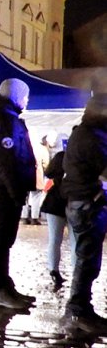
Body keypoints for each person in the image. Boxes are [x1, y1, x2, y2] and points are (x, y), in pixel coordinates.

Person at [0, 78, 37, 310]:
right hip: (3, 189)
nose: (27, 100)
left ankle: (4, 286)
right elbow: (4, 160)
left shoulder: (4, 117)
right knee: (1, 239)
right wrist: (15, 191)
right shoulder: (1, 119)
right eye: (25, 96)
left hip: (5, 188)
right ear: (16, 96)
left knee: (5, 240)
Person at [62, 94, 107, 331]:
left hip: (82, 202)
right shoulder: (93, 136)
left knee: (86, 258)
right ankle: (78, 311)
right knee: (87, 260)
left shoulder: (84, 132)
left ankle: (79, 309)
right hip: (87, 203)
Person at [40, 137, 70, 289]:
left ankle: (54, 269)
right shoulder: (77, 164)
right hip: (71, 203)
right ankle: (77, 271)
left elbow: (48, 177)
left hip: (53, 204)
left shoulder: (60, 159)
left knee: (54, 239)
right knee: (75, 240)